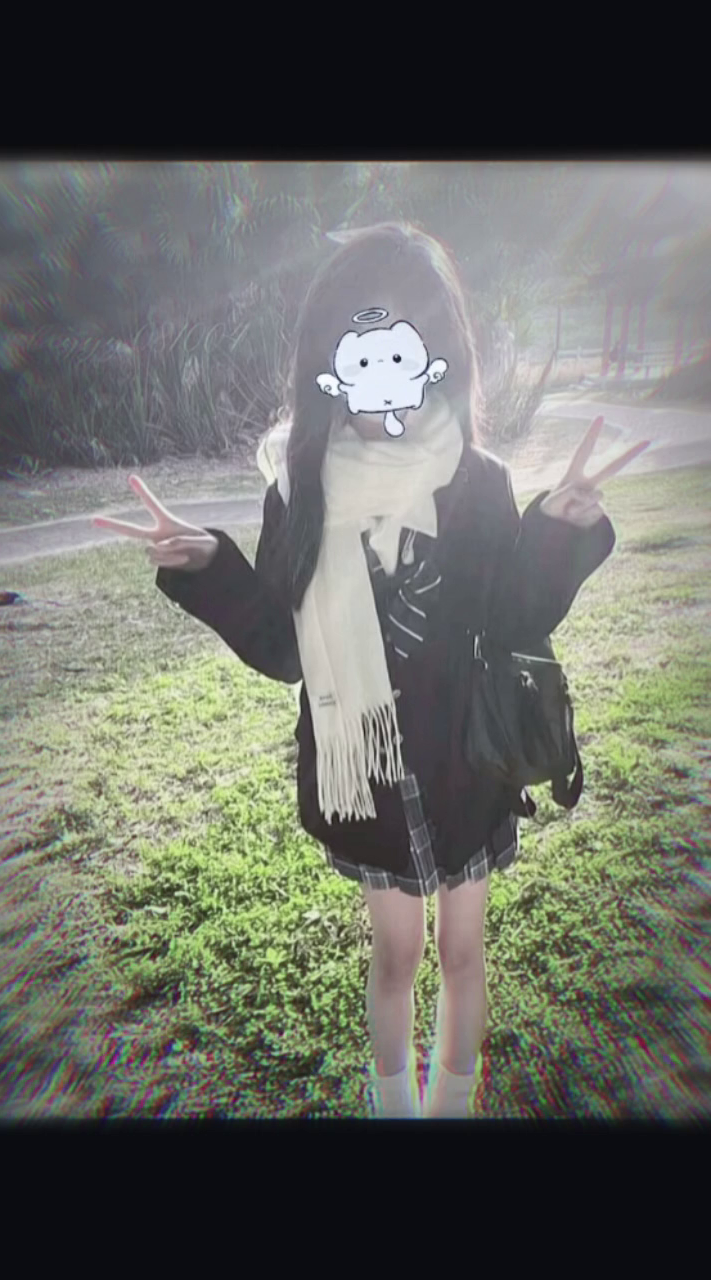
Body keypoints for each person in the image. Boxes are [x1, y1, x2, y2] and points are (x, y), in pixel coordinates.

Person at [92, 222, 622, 1119]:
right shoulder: (302, 488)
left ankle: (450, 1110)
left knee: (462, 951)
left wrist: (557, 531)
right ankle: (394, 1110)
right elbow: (283, 648)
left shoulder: (479, 480)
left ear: (439, 359)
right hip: (367, 781)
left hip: (469, 765)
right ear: (329, 364)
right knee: (397, 955)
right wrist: (211, 567)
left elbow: (515, 616)